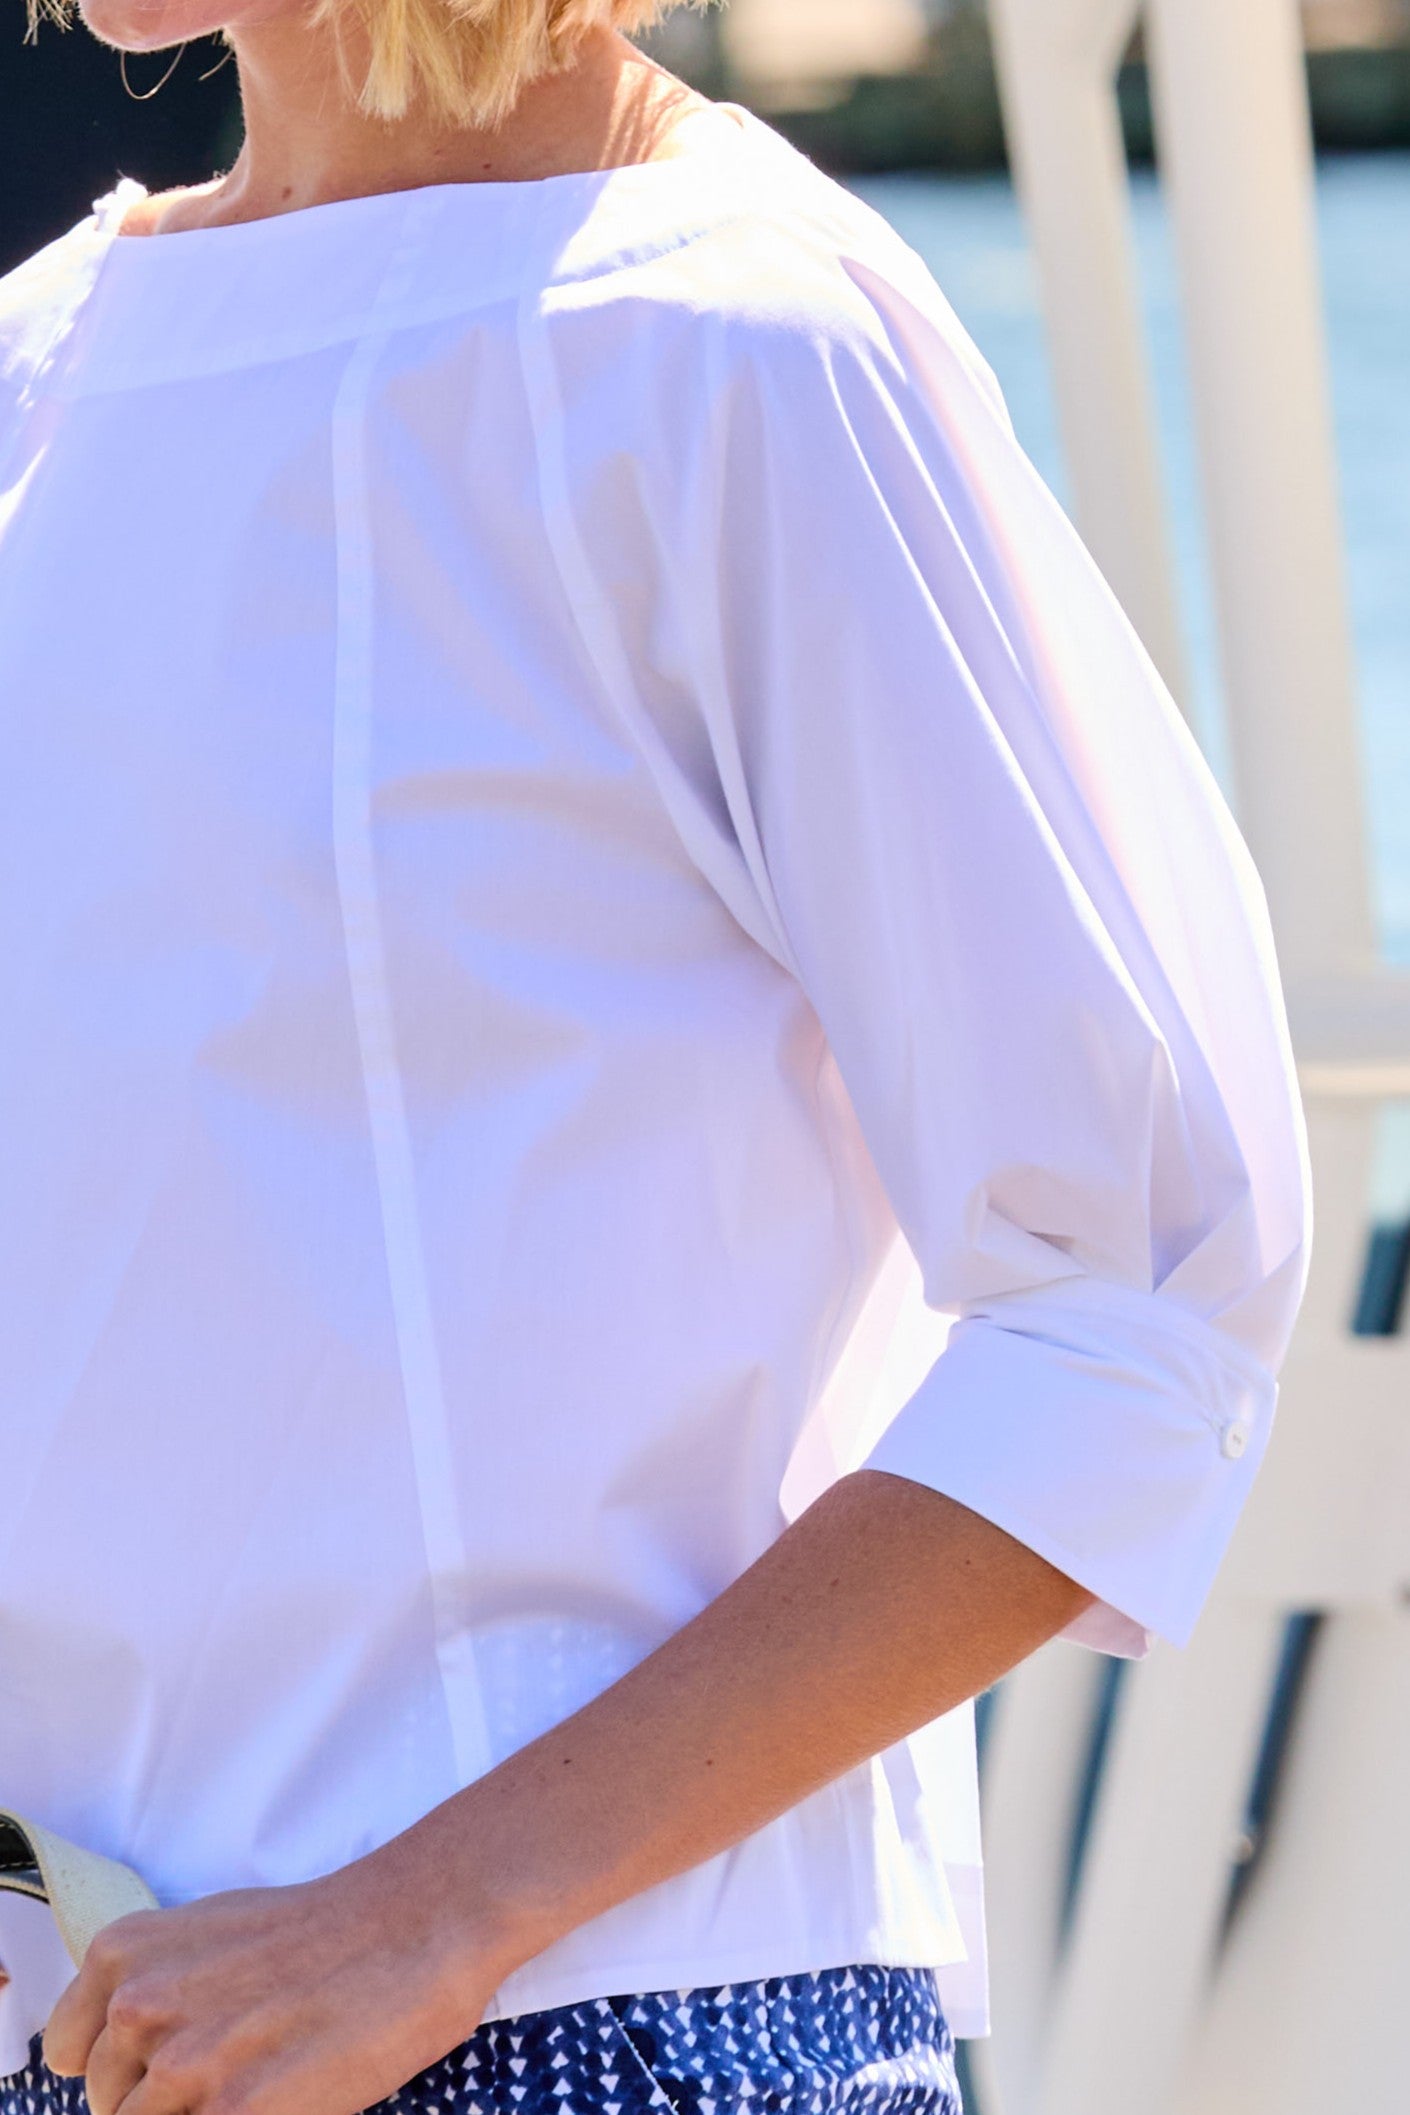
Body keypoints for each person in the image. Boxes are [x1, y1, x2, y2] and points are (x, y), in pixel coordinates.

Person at [0, 0, 1312, 2112]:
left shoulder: (739, 341)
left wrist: (432, 1911)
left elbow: (1138, 1302)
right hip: (95, 2036)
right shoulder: (45, 369)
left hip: (609, 2038)